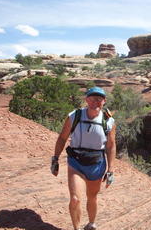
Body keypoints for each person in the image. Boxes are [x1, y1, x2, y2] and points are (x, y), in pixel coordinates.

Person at [51, 86, 116, 230]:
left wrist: (111, 169)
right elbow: (62, 138)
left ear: (104, 101)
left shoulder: (109, 121)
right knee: (75, 199)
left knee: (92, 197)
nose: (96, 101)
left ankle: (91, 223)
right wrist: (55, 158)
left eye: (99, 99)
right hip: (76, 163)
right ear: (86, 99)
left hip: (97, 164)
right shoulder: (75, 116)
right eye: (92, 98)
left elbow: (111, 146)